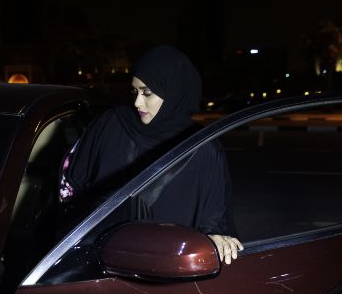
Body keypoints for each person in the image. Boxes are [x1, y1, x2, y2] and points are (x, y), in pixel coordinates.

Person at [59, 45, 243, 265]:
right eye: (135, 91)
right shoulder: (110, 125)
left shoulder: (202, 147)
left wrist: (214, 239)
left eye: (147, 93)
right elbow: (71, 186)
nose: (138, 102)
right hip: (97, 263)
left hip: (167, 271)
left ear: (174, 90)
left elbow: (214, 219)